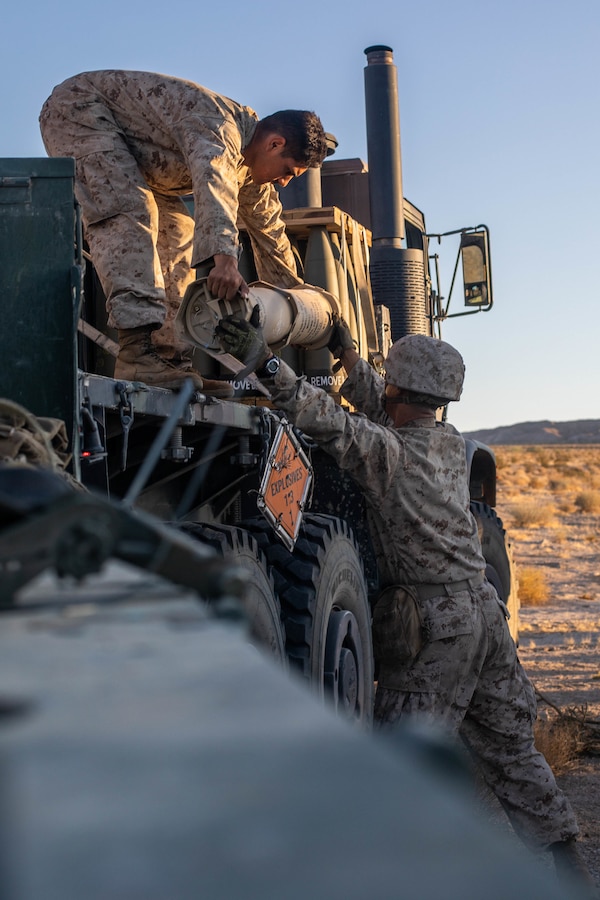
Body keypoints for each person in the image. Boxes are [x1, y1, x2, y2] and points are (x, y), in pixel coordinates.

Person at [214, 311, 597, 896]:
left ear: (399, 392)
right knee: (514, 758)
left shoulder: (386, 454)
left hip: (438, 634)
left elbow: (321, 417)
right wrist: (346, 351)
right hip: (487, 620)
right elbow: (381, 408)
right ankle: (572, 870)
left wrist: (261, 358)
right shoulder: (447, 445)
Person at [39, 71, 327, 392]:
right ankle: (137, 354)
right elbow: (212, 183)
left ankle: (167, 361)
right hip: (80, 111)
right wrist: (225, 261)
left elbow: (270, 233)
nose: (285, 181)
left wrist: (302, 304)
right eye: (288, 171)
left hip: (132, 152)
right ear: (275, 144)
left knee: (178, 230)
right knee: (131, 209)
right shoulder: (220, 127)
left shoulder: (249, 167)